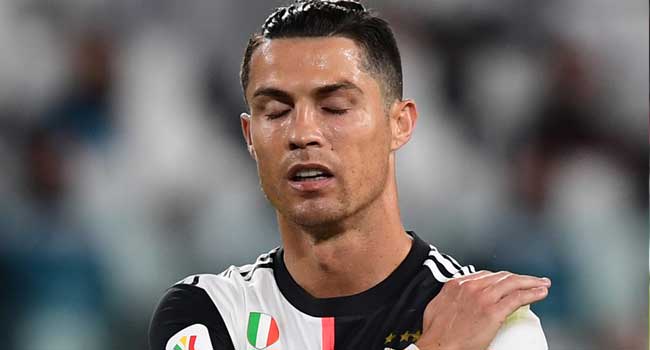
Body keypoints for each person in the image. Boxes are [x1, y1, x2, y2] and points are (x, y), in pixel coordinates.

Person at [149, 1, 551, 349]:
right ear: (250, 136)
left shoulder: (489, 319)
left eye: (335, 107)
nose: (302, 133)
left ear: (400, 124)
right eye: (275, 112)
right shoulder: (207, 312)